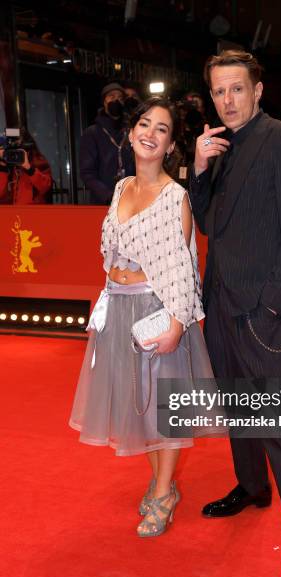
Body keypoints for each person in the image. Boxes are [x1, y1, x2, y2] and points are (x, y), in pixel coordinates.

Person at [189, 50, 281, 577]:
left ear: (258, 90)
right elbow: (207, 224)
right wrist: (199, 169)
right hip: (220, 305)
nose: (227, 100)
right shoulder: (219, 148)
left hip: (261, 312)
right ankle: (252, 487)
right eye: (219, 91)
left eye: (236, 89)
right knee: (237, 408)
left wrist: (274, 306)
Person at [70, 97, 213, 537]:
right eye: (144, 125)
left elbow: (182, 268)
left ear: (171, 145)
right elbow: (110, 248)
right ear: (131, 134)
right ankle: (161, 483)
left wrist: (175, 323)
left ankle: (164, 492)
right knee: (139, 406)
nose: (151, 133)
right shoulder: (121, 188)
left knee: (165, 409)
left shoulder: (176, 198)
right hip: (119, 309)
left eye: (162, 129)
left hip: (156, 310)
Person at [79, 82, 135, 204]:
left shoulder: (131, 131)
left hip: (131, 200)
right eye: (112, 96)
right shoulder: (92, 133)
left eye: (120, 98)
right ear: (104, 101)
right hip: (102, 203)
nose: (116, 100)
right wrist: (107, 196)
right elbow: (87, 172)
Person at [0, 129, 52, 204]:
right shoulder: (9, 165)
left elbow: (45, 187)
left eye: (18, 148)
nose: (14, 153)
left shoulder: (38, 162)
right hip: (14, 214)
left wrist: (29, 169)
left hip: (32, 213)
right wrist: (2, 167)